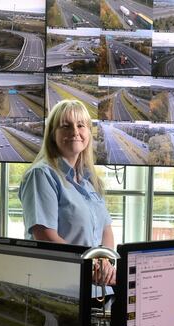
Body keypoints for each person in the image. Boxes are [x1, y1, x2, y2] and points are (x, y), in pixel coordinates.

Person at [19, 99, 115, 285]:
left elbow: (106, 230)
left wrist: (104, 263)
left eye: (81, 125)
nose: (75, 132)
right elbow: (46, 237)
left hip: (95, 284)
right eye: (66, 126)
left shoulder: (91, 181)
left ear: (88, 132)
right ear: (53, 135)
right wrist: (92, 264)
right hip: (59, 285)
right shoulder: (41, 175)